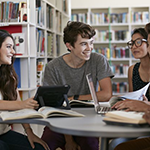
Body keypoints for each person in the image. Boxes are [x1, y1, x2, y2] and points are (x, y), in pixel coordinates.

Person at [41, 21, 114, 150]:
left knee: (91, 145)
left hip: (88, 118)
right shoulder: (53, 67)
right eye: (83, 44)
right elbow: (53, 106)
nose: (89, 48)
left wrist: (73, 98)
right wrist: (69, 139)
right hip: (59, 119)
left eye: (91, 42)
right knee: (44, 144)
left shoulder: (98, 60)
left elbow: (106, 94)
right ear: (69, 46)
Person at [0, 29, 49, 150]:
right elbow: (18, 104)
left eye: (13, 47)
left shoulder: (8, 76)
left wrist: (29, 132)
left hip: (3, 133)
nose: (13, 51)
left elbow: (18, 107)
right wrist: (22, 104)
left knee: (39, 147)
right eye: (8, 47)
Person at [110, 25, 150, 150]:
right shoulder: (132, 70)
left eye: (138, 42)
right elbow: (134, 97)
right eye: (132, 43)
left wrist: (146, 105)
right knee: (115, 143)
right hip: (138, 120)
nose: (133, 47)